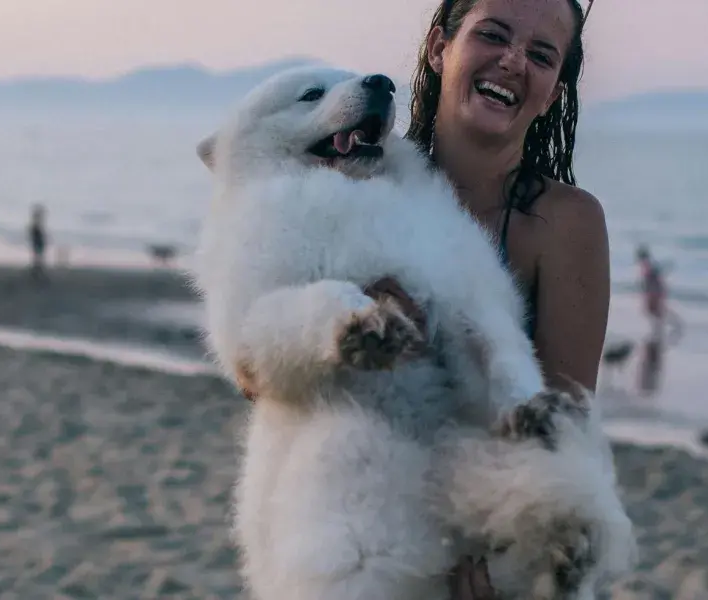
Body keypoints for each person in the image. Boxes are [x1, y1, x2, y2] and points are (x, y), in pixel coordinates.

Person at [245, 0, 608, 596]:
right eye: (493, 34)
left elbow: (562, 420)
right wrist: (349, 321)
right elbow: (253, 371)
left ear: (553, 92)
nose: (514, 61)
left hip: (478, 546)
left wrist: (510, 568)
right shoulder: (344, 171)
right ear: (440, 47)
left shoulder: (565, 222)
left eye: (542, 55)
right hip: (339, 534)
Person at [28, 204, 48, 282]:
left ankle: (36, 272)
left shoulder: (36, 225)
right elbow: (34, 235)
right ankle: (36, 273)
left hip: (37, 242)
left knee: (38, 258)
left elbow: (32, 235)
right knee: (38, 258)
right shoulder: (36, 226)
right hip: (37, 242)